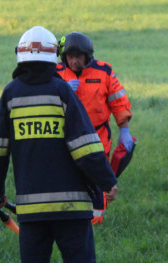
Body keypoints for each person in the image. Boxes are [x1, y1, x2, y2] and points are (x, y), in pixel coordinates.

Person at [0, 26, 119, 263]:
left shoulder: (11, 95)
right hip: (71, 206)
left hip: (32, 209)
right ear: (54, 57)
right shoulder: (61, 92)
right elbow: (84, 145)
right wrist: (107, 180)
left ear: (20, 57)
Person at [56, 32, 135, 223]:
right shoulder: (55, 73)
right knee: (67, 176)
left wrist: (124, 130)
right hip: (65, 136)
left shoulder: (104, 71)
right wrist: (63, 90)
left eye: (78, 57)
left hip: (97, 135)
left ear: (87, 56)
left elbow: (118, 101)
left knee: (97, 176)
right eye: (70, 57)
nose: (74, 61)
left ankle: (96, 220)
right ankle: (68, 216)